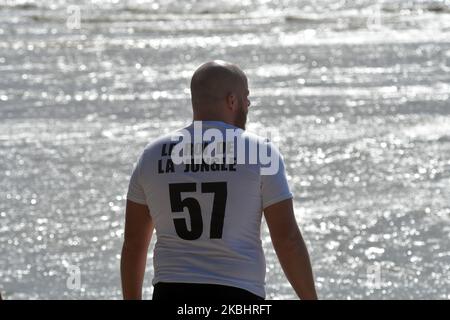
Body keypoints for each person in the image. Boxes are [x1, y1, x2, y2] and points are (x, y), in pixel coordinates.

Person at [121, 60, 318, 301]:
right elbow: (287, 239)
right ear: (232, 100)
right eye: (246, 96)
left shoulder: (152, 155)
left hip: (170, 292)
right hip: (237, 294)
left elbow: (133, 244)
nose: (249, 103)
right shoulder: (260, 152)